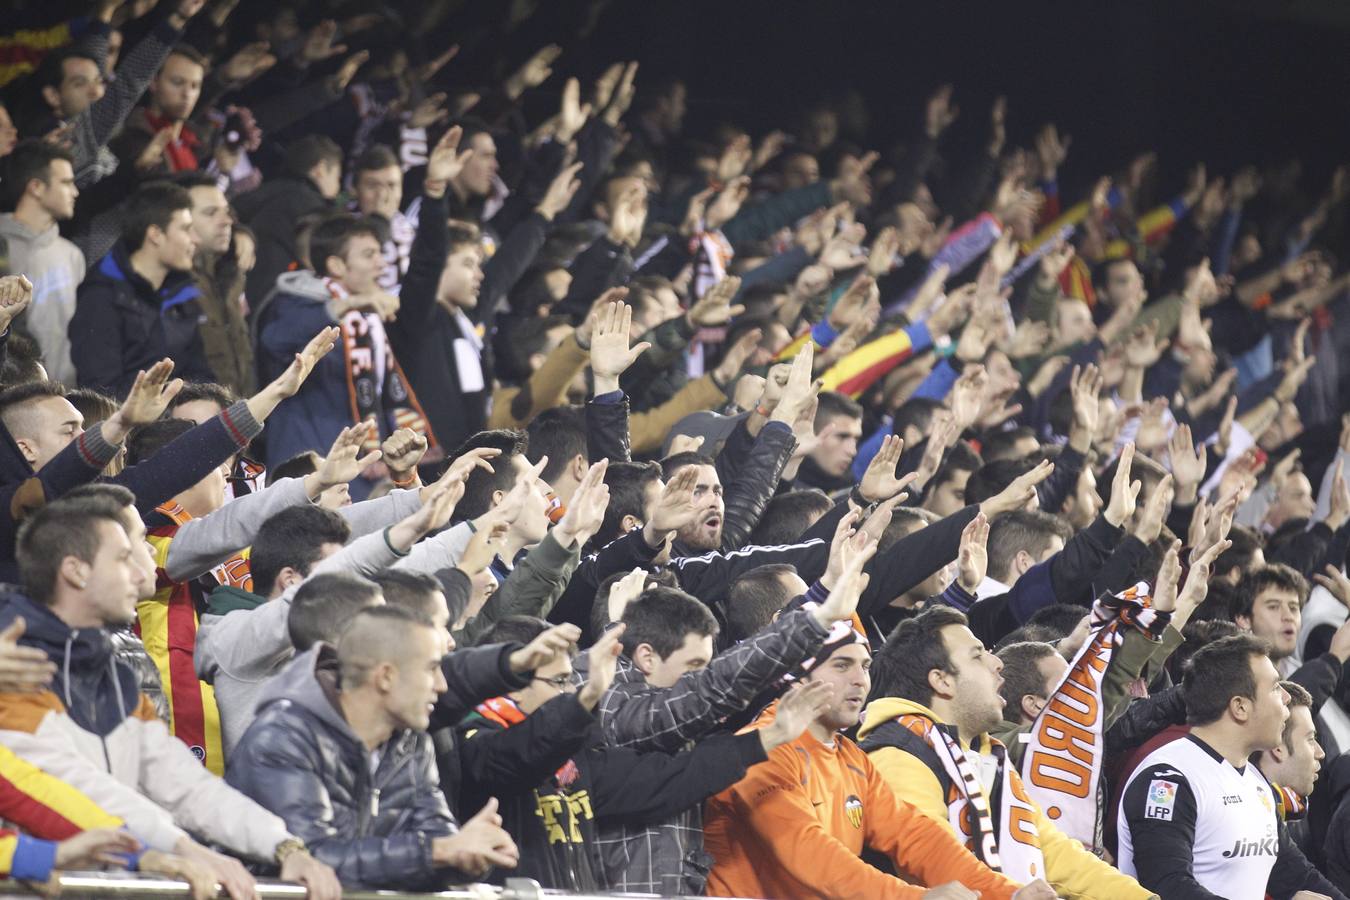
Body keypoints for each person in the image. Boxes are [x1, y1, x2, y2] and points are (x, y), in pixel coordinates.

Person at [0, 498, 340, 900]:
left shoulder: (113, 674)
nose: (139, 573)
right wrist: (175, 848)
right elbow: (65, 785)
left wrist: (282, 845)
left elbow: (181, 780)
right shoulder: (15, 668)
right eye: (123, 557)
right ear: (76, 570)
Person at [702, 615, 1055, 899]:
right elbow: (811, 857)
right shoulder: (759, 751)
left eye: (865, 666)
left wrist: (1007, 893)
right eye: (842, 665)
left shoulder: (850, 759)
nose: (860, 680)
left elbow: (918, 838)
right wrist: (916, 898)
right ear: (797, 678)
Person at [859, 606, 1153, 898]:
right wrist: (1011, 895)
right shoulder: (898, 754)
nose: (996, 663)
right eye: (977, 655)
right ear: (942, 680)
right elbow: (932, 861)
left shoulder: (987, 754)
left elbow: (1053, 851)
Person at [227, 605, 520, 890]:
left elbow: (436, 845)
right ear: (386, 676)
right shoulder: (284, 738)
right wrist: (440, 851)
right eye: (432, 668)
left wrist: (468, 856)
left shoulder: (412, 742)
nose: (442, 685)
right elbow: (308, 860)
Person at [1117, 634, 1343, 899]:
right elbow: (1167, 888)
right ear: (1240, 707)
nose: (1285, 697)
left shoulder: (1256, 783)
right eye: (1274, 688)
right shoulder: (1167, 779)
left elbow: (1297, 875)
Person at [252, 213, 434, 477]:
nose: (381, 264)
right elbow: (274, 341)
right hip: (307, 461)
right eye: (369, 255)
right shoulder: (295, 302)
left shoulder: (367, 312)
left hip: (356, 461)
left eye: (380, 253)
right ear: (336, 265)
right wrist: (343, 307)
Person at [68, 181, 213, 394]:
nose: (196, 239)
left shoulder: (182, 292)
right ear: (155, 234)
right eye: (185, 229)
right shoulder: (100, 298)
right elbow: (100, 392)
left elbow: (200, 375)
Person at [0, 141, 83, 384]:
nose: (75, 192)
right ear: (36, 187)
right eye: (66, 183)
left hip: (66, 391)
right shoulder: (3, 246)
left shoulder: (72, 254)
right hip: (13, 390)